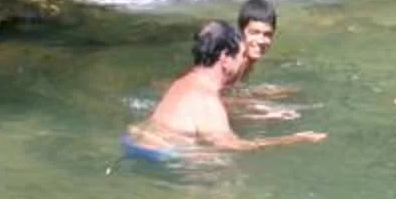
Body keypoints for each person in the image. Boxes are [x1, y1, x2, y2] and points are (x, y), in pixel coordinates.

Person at [124, 19, 327, 161]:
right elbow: (234, 147)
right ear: (224, 58)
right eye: (239, 55)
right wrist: (293, 139)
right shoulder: (206, 99)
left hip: (136, 142)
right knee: (220, 167)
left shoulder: (185, 81)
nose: (242, 62)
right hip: (162, 157)